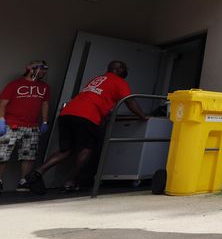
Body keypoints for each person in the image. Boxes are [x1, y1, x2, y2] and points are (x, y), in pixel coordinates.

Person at [22, 60, 148, 194]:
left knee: (66, 150)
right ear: (121, 69)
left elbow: (98, 99)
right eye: (125, 68)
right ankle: (71, 182)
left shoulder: (97, 79)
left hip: (67, 113)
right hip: (87, 116)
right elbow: (130, 101)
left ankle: (37, 172)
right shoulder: (119, 82)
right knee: (86, 149)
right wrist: (143, 116)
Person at [0, 60, 51, 193]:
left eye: (45, 69)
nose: (43, 71)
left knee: (28, 155)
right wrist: (1, 120)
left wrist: (45, 122)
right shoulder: (15, 85)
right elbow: (3, 103)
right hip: (11, 124)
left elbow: (45, 104)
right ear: (30, 68)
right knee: (2, 155)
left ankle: (23, 182)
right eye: (40, 68)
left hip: (32, 126)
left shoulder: (44, 87)